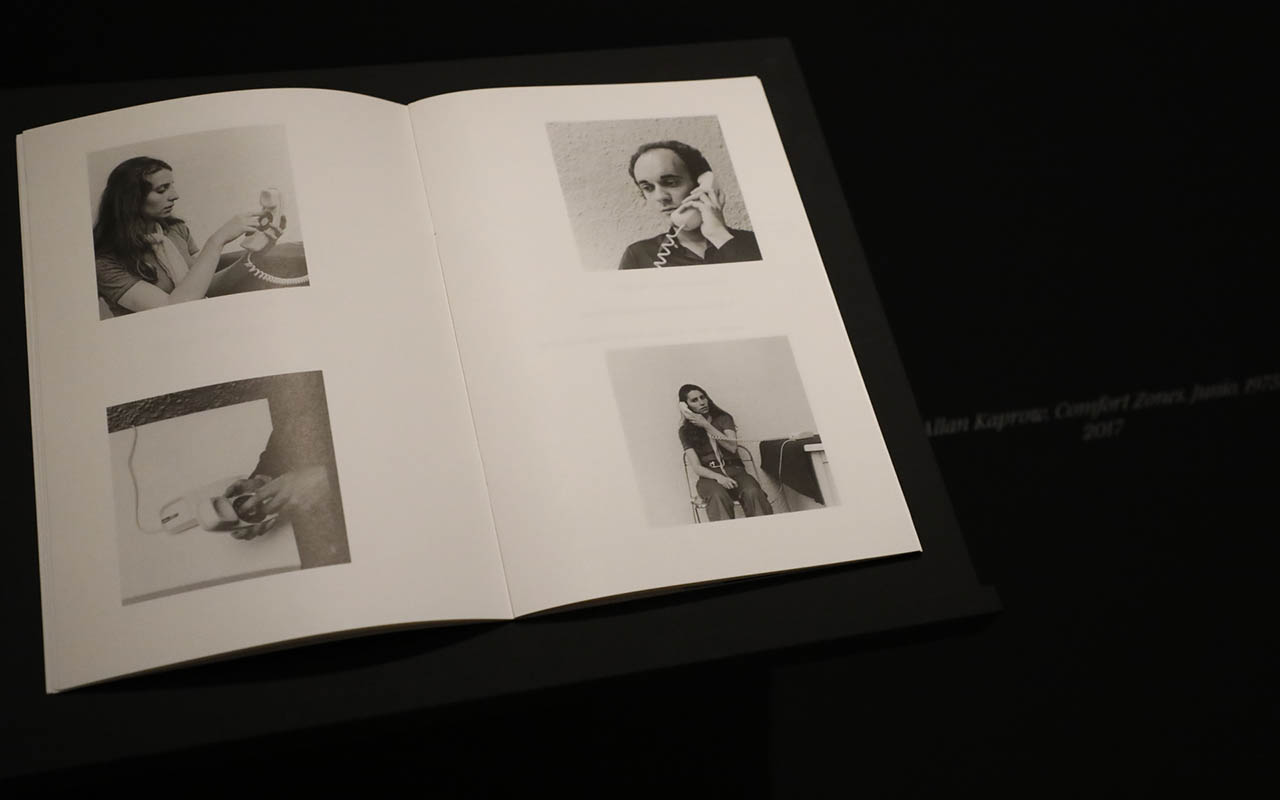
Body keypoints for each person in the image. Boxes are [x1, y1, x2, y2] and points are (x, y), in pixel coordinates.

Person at [93, 156, 267, 316]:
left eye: (171, 186)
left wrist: (253, 258)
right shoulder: (104, 263)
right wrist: (217, 240)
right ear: (132, 199)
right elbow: (173, 307)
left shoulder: (176, 230)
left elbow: (204, 286)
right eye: (162, 190)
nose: (175, 196)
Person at [618, 140, 762, 269]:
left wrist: (719, 235)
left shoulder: (756, 243)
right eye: (648, 188)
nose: (660, 197)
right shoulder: (638, 256)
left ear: (701, 185)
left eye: (671, 183)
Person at [678, 383, 773, 521]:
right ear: (685, 406)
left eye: (702, 397)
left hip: (736, 471)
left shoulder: (724, 419)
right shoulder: (685, 431)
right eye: (694, 400)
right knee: (717, 496)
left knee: (752, 492)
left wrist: (706, 425)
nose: (701, 402)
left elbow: (732, 447)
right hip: (710, 477)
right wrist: (719, 478)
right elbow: (696, 467)